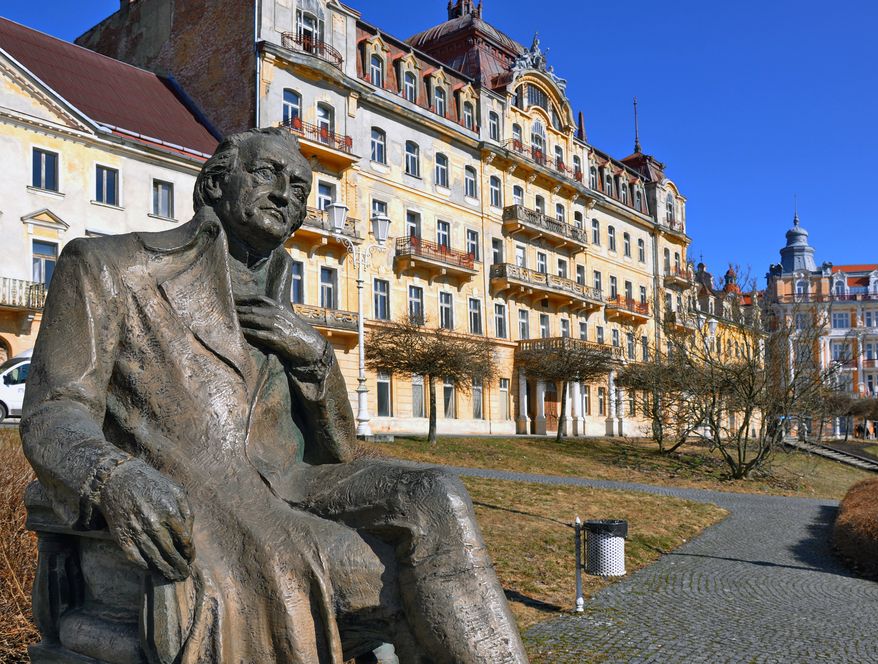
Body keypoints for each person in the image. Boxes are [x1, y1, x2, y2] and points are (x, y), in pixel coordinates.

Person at [21, 128, 527, 664]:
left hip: (295, 484)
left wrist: (315, 358)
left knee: (438, 492)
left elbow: (339, 453)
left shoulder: (283, 309)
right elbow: (55, 411)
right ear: (216, 182)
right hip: (206, 495)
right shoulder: (109, 266)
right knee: (382, 580)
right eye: (268, 175)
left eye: (301, 190)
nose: (288, 195)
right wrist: (111, 476)